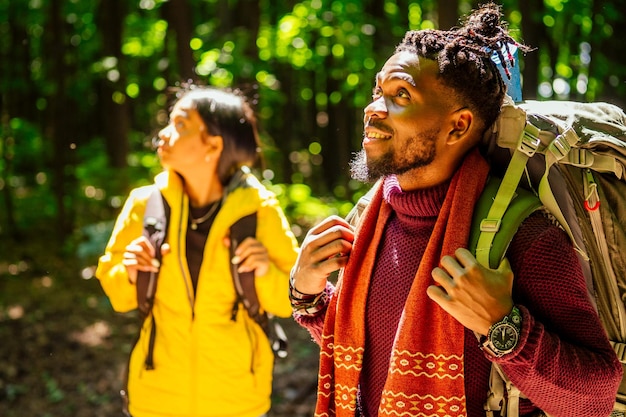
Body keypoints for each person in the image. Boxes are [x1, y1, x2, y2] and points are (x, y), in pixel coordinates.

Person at [290, 3, 622, 417]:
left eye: (401, 95)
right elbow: (365, 354)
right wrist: (307, 296)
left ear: (459, 125)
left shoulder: (523, 236)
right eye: (379, 91)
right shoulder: (371, 219)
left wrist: (503, 327)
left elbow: (593, 400)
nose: (372, 108)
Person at [96, 85, 299, 417]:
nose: (162, 135)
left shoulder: (258, 209)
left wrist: (263, 271)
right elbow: (118, 295)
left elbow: (289, 300)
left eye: (180, 125)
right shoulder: (145, 205)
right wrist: (130, 270)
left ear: (213, 144)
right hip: (156, 395)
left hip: (237, 399)